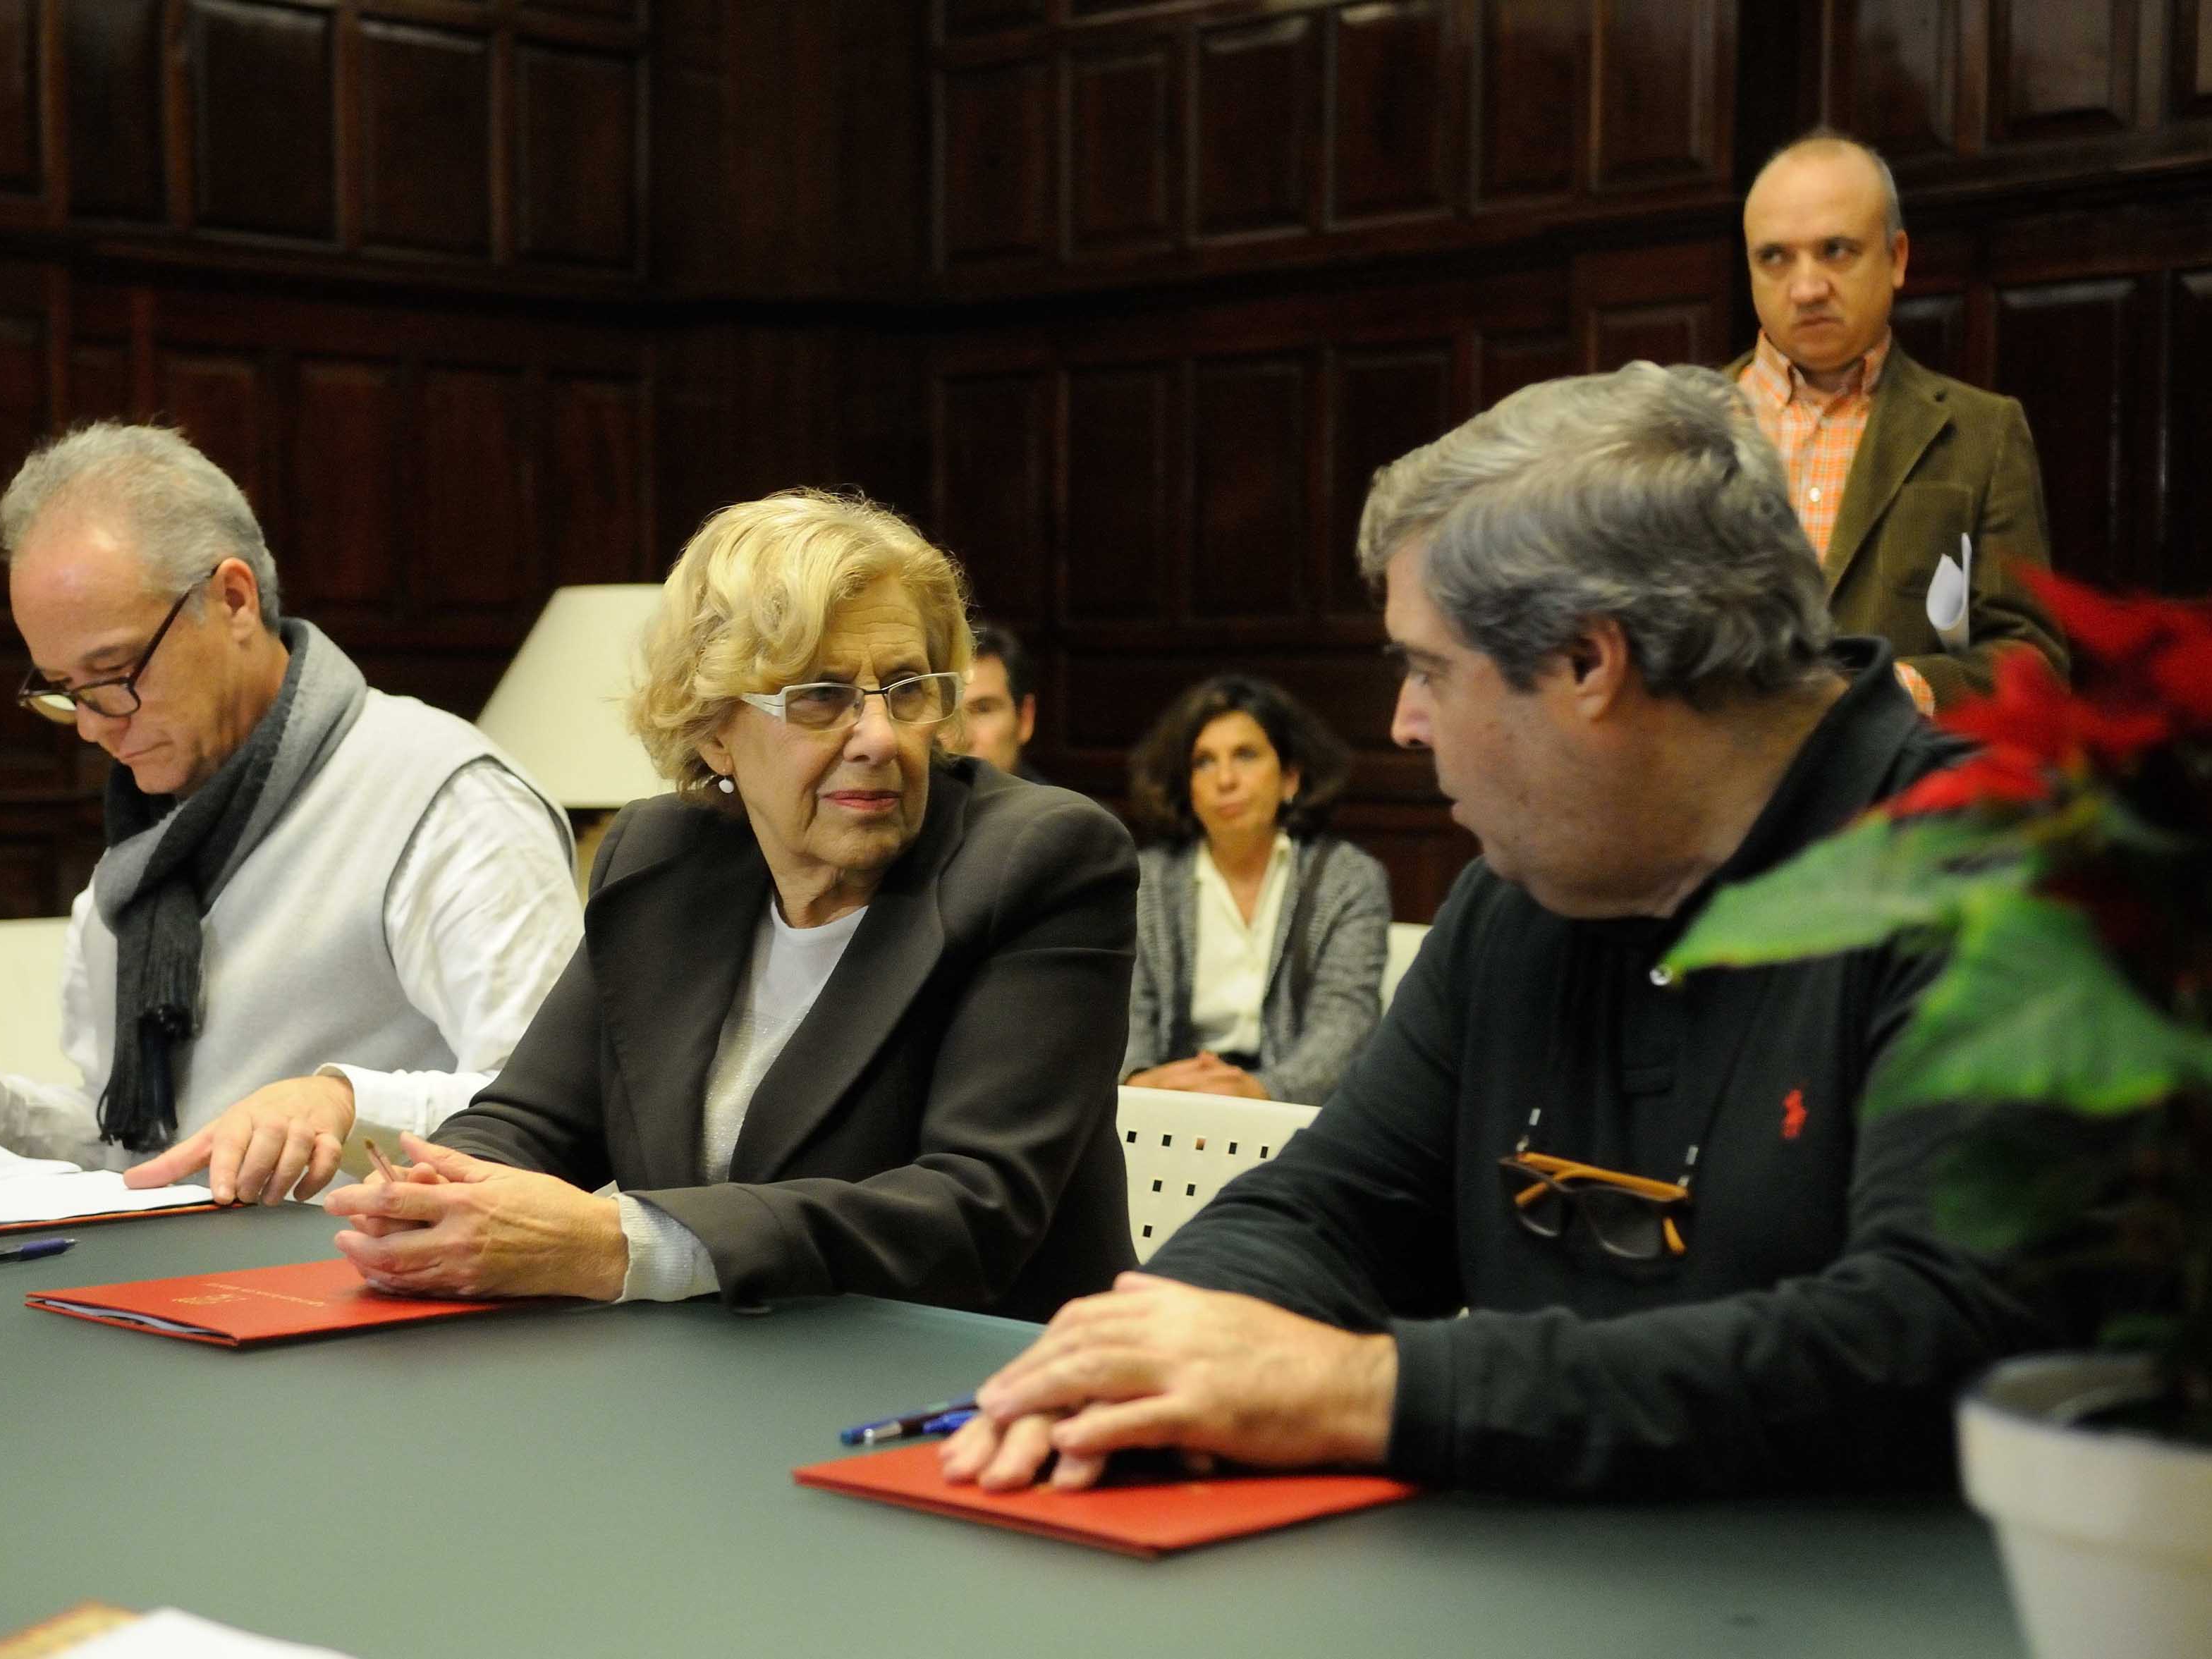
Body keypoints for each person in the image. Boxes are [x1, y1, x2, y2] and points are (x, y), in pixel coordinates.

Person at [939, 363, 2058, 1499]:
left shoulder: (2001, 878)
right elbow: (1332, 1206)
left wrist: (1364, 1392)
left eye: (1427, 669)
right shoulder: (1525, 888)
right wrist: (1143, 1353)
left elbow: (1924, 1347)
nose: (1402, 725)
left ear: (1586, 661)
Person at [322, 490, 1138, 1321]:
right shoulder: (662, 859)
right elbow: (530, 1117)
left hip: (969, 1396)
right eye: (821, 697)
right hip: (711, 1370)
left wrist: (620, 1243)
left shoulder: (1042, 860)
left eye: (905, 690)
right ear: (715, 730)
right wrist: (437, 1196)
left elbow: (975, 1211)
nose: (881, 737)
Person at [0, 424, 585, 1208]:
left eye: (114, 671)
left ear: (233, 599)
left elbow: (558, 1102)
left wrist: (342, 1099)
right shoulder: (145, 847)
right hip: (181, 1289)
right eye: (63, 690)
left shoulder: (441, 798)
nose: (93, 724)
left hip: (389, 1306)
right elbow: (140, 1146)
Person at [1732, 128, 2067, 713]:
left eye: (1836, 250)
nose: (1806, 287)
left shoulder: (1982, 434)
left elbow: (2031, 661)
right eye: (1774, 257)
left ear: (1897, 259)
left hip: (1896, 790)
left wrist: (1888, 694)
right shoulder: (1674, 429)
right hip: (1715, 797)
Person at [1119, 674, 1388, 1106]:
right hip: (1172, 1107)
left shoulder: (1347, 879)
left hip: (1298, 1112)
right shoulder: (1147, 881)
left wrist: (1259, 1092)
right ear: (1187, 787)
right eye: (1204, 762)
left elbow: (1345, 1026)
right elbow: (1124, 1018)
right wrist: (1143, 1083)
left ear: (1290, 778)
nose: (1225, 779)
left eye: (1245, 755)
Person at [960, 623, 1045, 782]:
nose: (963, 737)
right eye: (947, 712)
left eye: (983, 709)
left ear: (1025, 718)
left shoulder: (1070, 807)